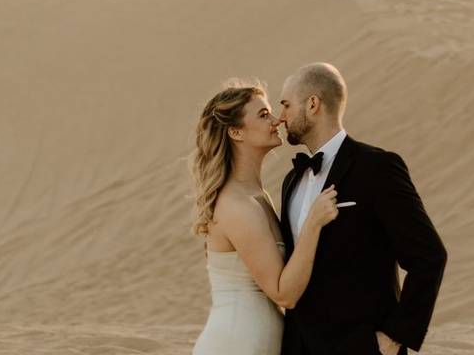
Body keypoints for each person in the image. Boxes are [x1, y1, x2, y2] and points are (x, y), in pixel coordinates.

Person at [278, 63, 447, 355]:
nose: (281, 117)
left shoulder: (377, 168)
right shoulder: (292, 180)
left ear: (313, 104)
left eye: (286, 105)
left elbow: (429, 256)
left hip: (361, 347)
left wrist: (393, 338)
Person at [191, 81, 339, 355]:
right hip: (236, 344)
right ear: (236, 132)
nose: (277, 120)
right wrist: (314, 224)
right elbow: (283, 294)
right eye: (263, 115)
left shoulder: (256, 195)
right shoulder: (237, 205)